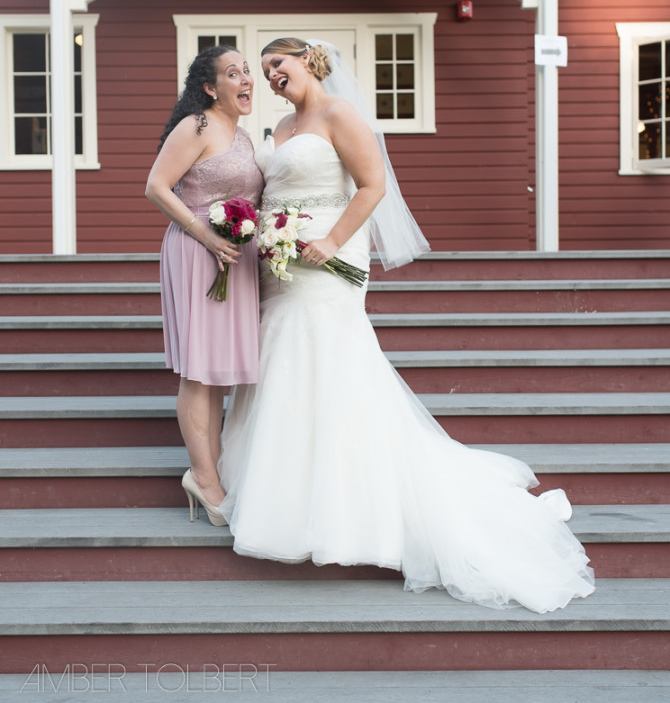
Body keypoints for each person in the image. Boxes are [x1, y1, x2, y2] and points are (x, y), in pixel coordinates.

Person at [217, 37, 595, 613]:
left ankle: (349, 507)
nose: (270, 76)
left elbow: (373, 185)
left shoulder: (340, 114)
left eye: (278, 64)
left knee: (330, 362)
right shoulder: (284, 128)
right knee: (283, 360)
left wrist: (331, 242)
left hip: (328, 257)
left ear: (308, 61)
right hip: (281, 261)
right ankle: (287, 494)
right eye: (264, 69)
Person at [146, 46, 263, 527]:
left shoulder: (245, 135)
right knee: (198, 371)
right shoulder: (196, 125)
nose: (245, 79)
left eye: (247, 71)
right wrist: (205, 236)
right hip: (198, 252)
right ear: (211, 88)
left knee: (217, 370)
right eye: (232, 73)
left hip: (232, 255)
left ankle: (213, 472)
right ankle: (203, 477)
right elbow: (156, 186)